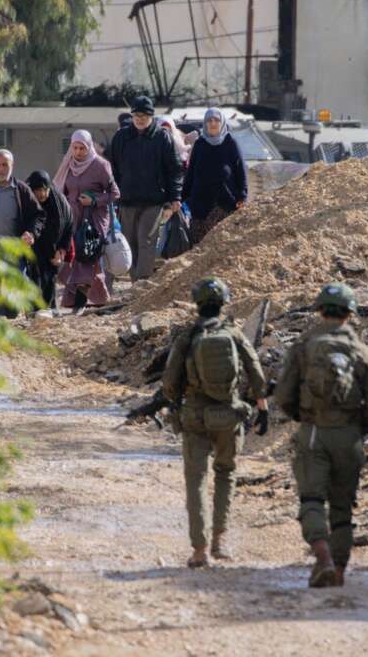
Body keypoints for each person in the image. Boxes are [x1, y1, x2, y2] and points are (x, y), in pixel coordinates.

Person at [274, 282, 368, 588]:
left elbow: (283, 395)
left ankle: (322, 556)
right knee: (343, 507)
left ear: (320, 311)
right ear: (351, 314)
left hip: (313, 432)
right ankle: (338, 571)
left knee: (312, 500)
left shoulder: (304, 346)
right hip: (349, 437)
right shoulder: (362, 351)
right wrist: (359, 427)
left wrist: (303, 417)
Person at [162, 277, 269, 568]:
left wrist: (176, 401)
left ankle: (199, 550)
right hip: (229, 415)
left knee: (196, 480)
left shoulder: (188, 336)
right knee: (226, 473)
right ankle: (220, 541)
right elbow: (256, 372)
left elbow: (170, 382)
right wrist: (262, 408)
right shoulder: (234, 334)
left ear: (197, 304)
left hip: (195, 416)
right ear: (224, 303)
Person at [108, 96, 182, 282]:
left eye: (144, 115)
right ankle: (135, 283)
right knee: (130, 243)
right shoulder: (121, 137)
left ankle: (142, 281)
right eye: (137, 115)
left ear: (151, 116)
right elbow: (112, 168)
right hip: (127, 201)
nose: (140, 118)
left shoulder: (162, 137)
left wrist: (175, 197)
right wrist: (114, 194)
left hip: (153, 201)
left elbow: (173, 170)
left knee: (146, 241)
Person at [56, 130, 119, 311]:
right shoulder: (68, 164)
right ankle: (96, 299)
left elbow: (115, 194)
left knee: (88, 255)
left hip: (95, 218)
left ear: (89, 146)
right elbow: (61, 191)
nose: (78, 152)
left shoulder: (101, 165)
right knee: (74, 257)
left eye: (82, 148)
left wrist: (94, 200)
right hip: (73, 217)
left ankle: (80, 301)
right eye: (75, 148)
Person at [182, 108, 248, 245]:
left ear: (222, 122)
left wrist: (242, 195)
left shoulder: (230, 143)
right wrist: (181, 197)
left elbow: (240, 171)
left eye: (216, 120)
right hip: (201, 204)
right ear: (205, 123)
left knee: (222, 245)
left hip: (225, 203)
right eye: (209, 120)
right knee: (200, 246)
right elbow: (191, 173)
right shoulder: (200, 144)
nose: (213, 123)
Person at [25, 170, 73, 311]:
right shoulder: (29, 201)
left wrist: (62, 250)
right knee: (34, 280)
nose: (40, 194)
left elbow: (69, 226)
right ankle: (34, 313)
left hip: (53, 249)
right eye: (36, 191)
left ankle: (49, 311)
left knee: (49, 281)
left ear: (49, 188)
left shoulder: (60, 204)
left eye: (43, 190)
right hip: (33, 246)